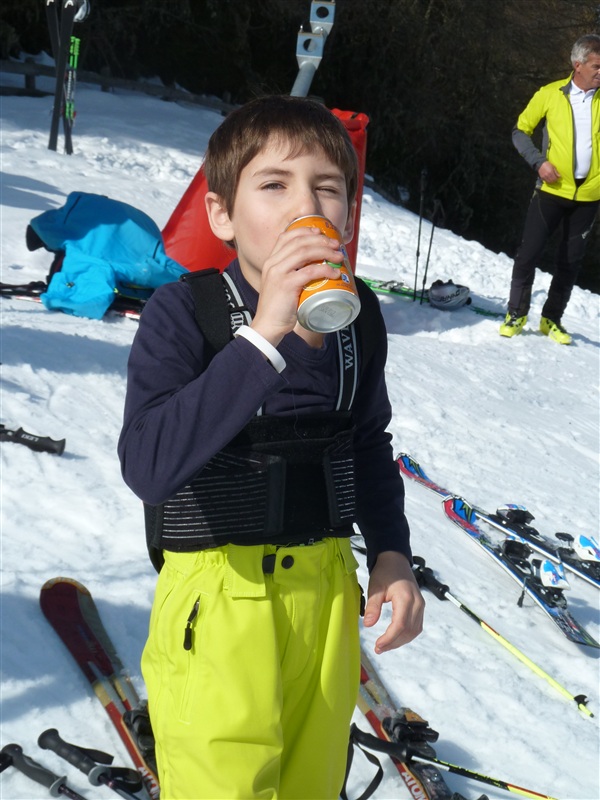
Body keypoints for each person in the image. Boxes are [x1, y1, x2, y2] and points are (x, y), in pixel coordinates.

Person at [118, 94, 424, 800]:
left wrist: (391, 551)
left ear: (348, 216)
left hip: (326, 599)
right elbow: (149, 465)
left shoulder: (358, 320)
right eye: (275, 185)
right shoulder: (184, 313)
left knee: (311, 783)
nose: (304, 206)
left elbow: (366, 442)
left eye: (328, 188)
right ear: (222, 215)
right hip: (219, 601)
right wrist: (264, 336)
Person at [500, 33, 600, 344]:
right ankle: (516, 313)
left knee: (570, 262)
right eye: (597, 66)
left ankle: (551, 319)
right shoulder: (549, 94)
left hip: (589, 197)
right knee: (528, 254)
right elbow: (520, 131)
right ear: (578, 65)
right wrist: (538, 162)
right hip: (551, 191)